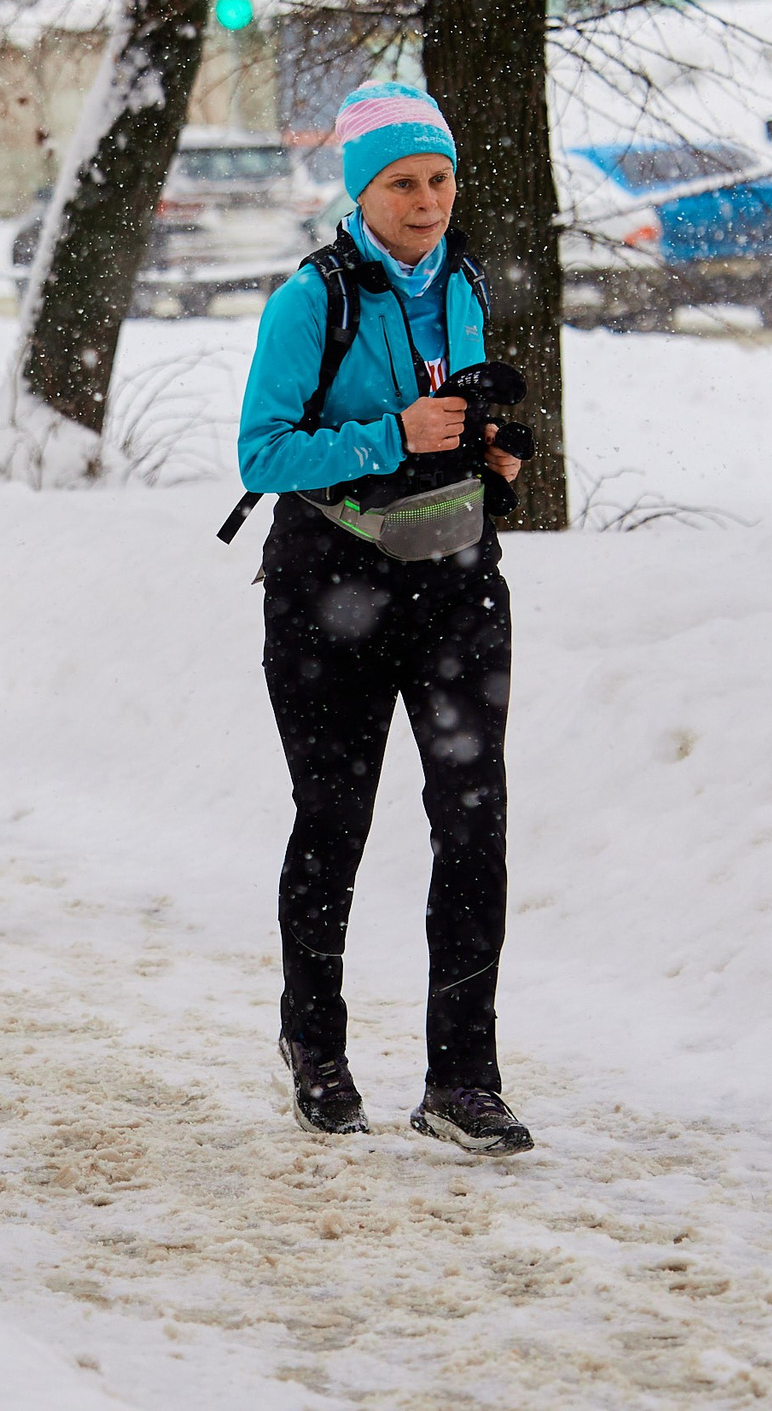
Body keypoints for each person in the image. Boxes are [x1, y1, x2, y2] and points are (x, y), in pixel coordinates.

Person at [234, 80, 533, 1156]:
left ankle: (463, 1078)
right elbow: (261, 454)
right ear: (361, 194)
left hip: (454, 579)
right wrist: (390, 434)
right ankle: (314, 1046)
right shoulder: (309, 300)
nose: (426, 201)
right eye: (402, 183)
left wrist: (486, 449)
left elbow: (448, 415)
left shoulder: (462, 280)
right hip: (330, 590)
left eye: (439, 179)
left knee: (474, 823)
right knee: (335, 820)